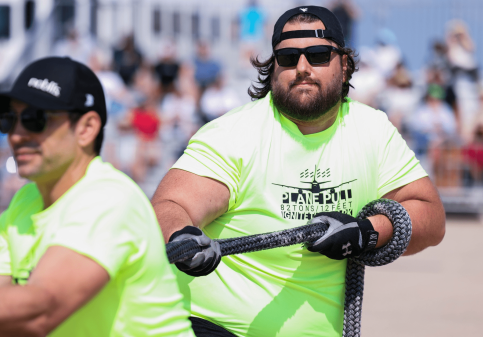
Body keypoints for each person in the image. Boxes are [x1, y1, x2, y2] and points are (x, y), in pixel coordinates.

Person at [151, 6, 445, 337]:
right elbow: (171, 206)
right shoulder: (233, 133)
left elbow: (430, 218)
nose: (302, 68)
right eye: (289, 58)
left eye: (318, 55)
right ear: (273, 67)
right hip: (212, 327)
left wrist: (367, 233)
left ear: (344, 66)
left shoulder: (372, 130)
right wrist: (181, 236)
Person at [0, 57, 194, 337]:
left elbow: (42, 309)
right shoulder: (26, 199)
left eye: (36, 119)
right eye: (9, 119)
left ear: (86, 129)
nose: (16, 135)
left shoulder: (108, 198)